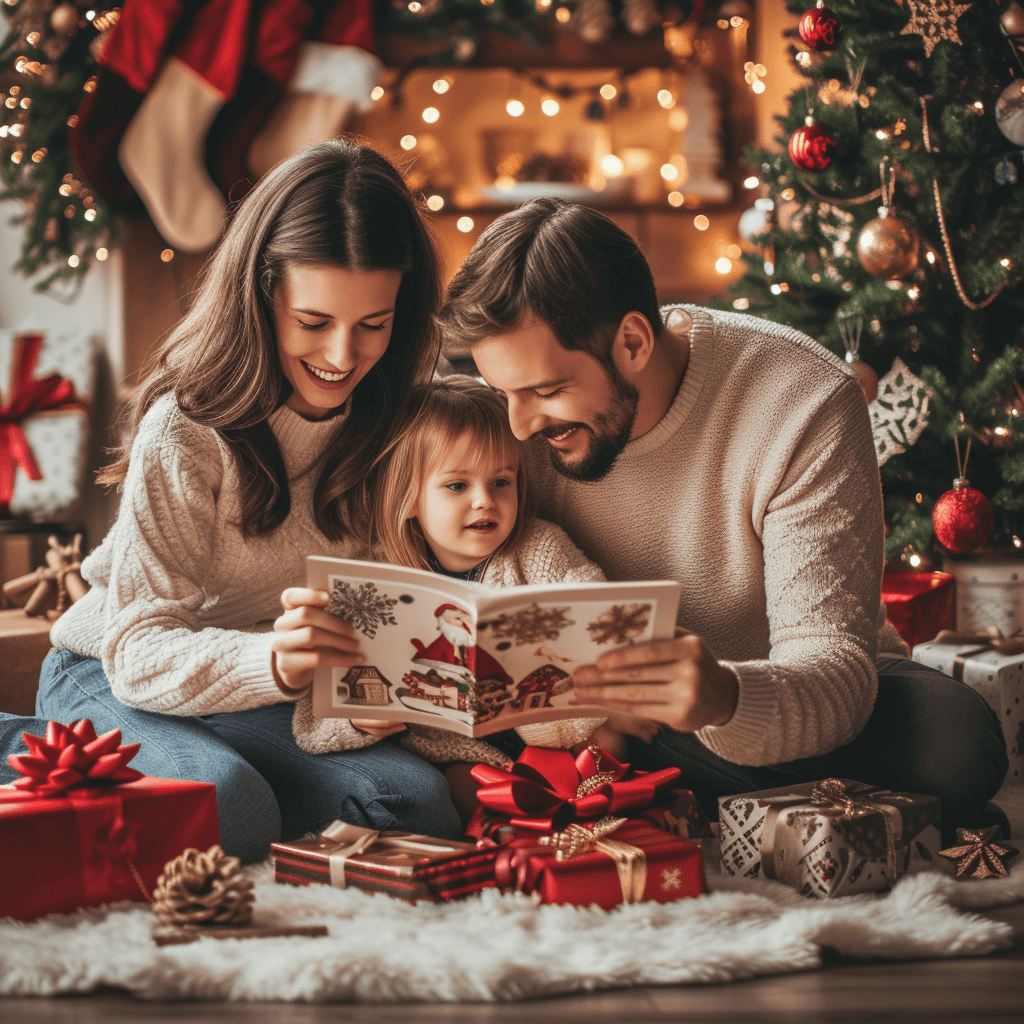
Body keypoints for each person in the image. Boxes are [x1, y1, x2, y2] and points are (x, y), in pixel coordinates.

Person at [434, 197, 1009, 841]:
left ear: (631, 342)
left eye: (544, 392)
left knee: (956, 740)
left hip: (758, 700)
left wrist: (724, 697)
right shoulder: (506, 422)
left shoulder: (800, 399)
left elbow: (833, 667)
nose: (518, 426)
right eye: (502, 392)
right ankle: (774, 807)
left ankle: (652, 798)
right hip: (600, 724)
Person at [0, 140, 464, 862]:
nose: (343, 356)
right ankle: (22, 743)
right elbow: (140, 650)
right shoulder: (186, 432)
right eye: (313, 323)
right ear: (260, 295)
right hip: (118, 675)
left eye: (373, 325)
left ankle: (224, 773)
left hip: (275, 700)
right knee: (225, 806)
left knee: (416, 807)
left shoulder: (402, 422)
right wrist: (275, 660)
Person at [283, 377, 607, 799]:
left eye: (501, 482)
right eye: (458, 485)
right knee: (455, 788)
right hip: (462, 756)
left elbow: (595, 609)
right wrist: (358, 722)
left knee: (608, 746)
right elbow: (317, 714)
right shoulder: (377, 578)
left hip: (559, 737)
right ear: (410, 498)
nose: (484, 501)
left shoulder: (538, 547)